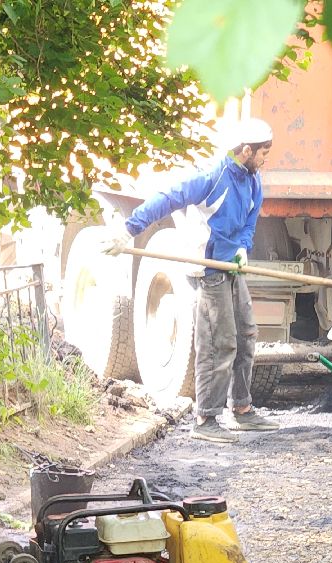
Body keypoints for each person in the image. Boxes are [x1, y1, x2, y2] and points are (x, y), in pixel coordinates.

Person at [105, 118, 278, 443]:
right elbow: (168, 198)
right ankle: (206, 419)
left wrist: (243, 247)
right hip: (208, 268)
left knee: (246, 335)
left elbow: (250, 220)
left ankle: (241, 409)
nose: (266, 158)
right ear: (245, 151)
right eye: (263, 152)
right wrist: (128, 229)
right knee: (219, 342)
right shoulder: (212, 177)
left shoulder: (254, 180)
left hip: (232, 266)